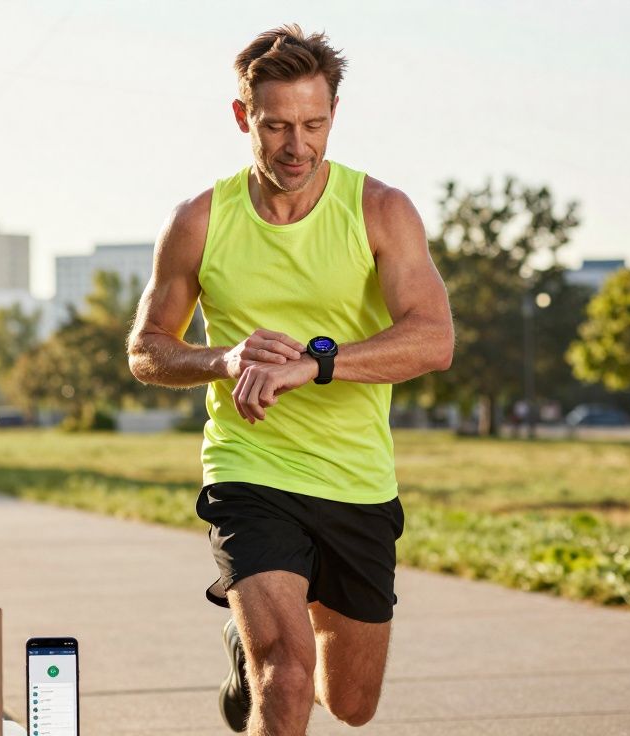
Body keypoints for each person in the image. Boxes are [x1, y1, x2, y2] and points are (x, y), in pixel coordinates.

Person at [126, 25, 454, 735]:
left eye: (313, 124)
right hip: (251, 468)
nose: (296, 146)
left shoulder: (380, 211)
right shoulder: (199, 220)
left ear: (334, 114)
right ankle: (262, 650)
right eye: (276, 126)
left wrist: (317, 364)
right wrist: (223, 359)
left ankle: (243, 651)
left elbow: (434, 339)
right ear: (244, 117)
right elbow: (147, 350)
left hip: (356, 481)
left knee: (352, 703)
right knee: (288, 672)